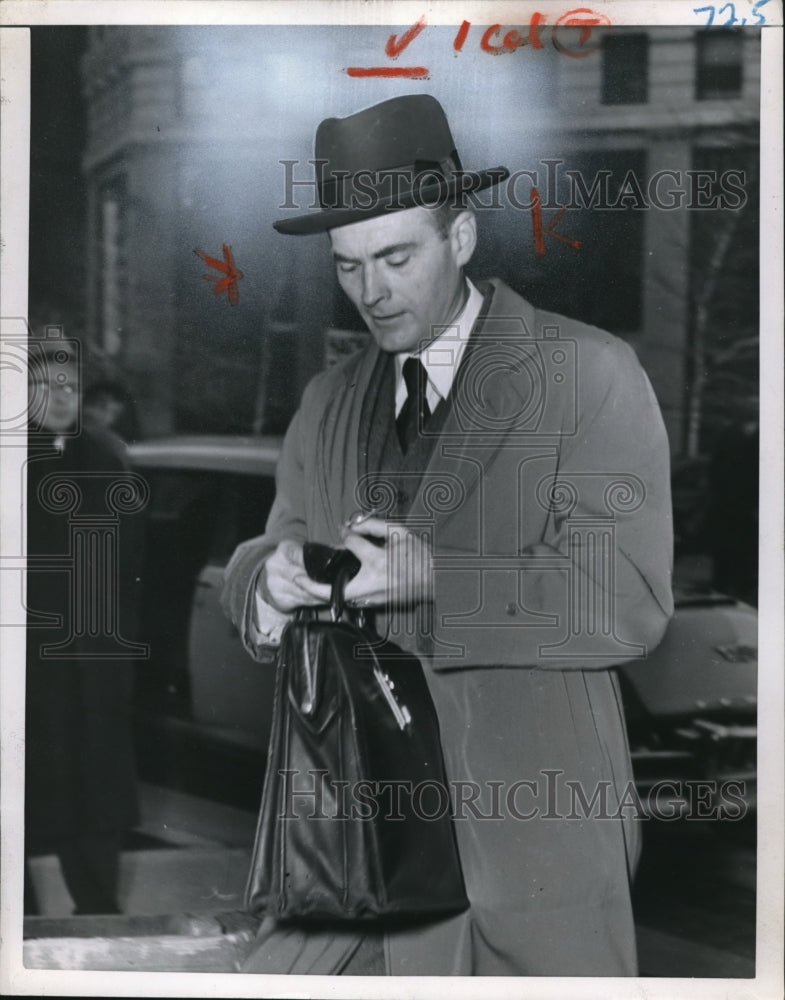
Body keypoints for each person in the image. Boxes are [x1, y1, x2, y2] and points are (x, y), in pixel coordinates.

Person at [222, 95, 673, 976]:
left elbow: (628, 601)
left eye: (396, 257)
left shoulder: (586, 374)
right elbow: (271, 546)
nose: (371, 292)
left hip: (533, 871)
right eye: (348, 265)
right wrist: (265, 580)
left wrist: (437, 579)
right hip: (358, 870)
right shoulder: (327, 402)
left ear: (460, 236)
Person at [25, 340, 142, 915]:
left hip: (92, 657)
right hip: (28, 659)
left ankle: (97, 910)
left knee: (95, 786)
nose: (61, 397)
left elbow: (129, 565)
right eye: (45, 386)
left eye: (70, 386)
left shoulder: (103, 459)